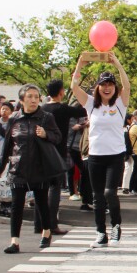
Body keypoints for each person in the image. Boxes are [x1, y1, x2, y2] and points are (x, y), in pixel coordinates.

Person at [71, 53, 131, 246]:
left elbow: (127, 85)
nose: (107, 88)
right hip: (95, 156)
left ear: (115, 88)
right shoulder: (90, 104)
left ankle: (116, 227)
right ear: (97, 87)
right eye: (103, 85)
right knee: (97, 196)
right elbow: (74, 87)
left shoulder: (120, 104)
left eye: (110, 85)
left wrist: (118, 63)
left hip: (115, 156)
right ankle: (100, 232)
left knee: (109, 192)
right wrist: (80, 63)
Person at [0, 84, 62, 253]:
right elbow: (8, 144)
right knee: (17, 205)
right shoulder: (14, 119)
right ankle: (14, 241)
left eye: (36, 97)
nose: (33, 100)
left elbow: (58, 137)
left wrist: (46, 134)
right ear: (22, 100)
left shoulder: (46, 117)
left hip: (40, 167)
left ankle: (46, 232)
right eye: (30, 96)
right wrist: (1, 167)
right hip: (18, 167)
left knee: (41, 202)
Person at [36, 78, 87, 236]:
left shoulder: (42, 108)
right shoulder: (63, 108)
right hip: (58, 151)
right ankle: (52, 224)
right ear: (61, 92)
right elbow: (83, 110)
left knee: (41, 188)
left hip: (42, 151)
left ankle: (39, 224)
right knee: (55, 187)